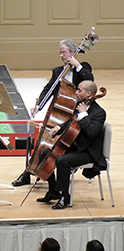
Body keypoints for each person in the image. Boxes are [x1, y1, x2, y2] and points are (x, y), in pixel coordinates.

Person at [12, 38, 94, 187]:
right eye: (60, 53)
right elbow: (48, 89)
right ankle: (28, 172)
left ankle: (54, 173)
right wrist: (39, 106)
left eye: (64, 52)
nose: (61, 56)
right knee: (42, 141)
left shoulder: (83, 68)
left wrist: (77, 65)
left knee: (55, 144)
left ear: (73, 52)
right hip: (60, 113)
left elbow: (90, 82)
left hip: (76, 115)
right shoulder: (58, 71)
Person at [35, 81, 106, 209]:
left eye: (79, 90)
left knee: (62, 160)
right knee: (45, 153)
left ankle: (65, 196)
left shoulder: (99, 113)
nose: (76, 92)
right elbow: (71, 123)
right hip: (74, 148)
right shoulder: (79, 106)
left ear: (88, 93)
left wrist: (83, 115)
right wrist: (58, 128)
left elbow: (92, 132)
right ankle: (53, 190)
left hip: (87, 152)